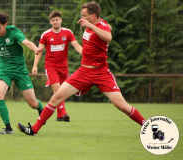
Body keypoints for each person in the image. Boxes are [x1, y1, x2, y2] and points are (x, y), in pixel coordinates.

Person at [16, 1, 145, 136]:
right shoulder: (95, 24)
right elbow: (108, 27)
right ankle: (34, 130)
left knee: (121, 105)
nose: (82, 18)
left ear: (93, 16)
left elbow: (108, 36)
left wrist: (91, 25)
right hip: (83, 72)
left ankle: (146, 125)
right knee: (56, 98)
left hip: (101, 73)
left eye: (84, 15)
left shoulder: (99, 26)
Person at [0, 12, 44, 134]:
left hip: (19, 70)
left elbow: (26, 42)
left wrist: (35, 49)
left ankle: (41, 109)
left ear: (5, 25)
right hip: (4, 69)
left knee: (33, 104)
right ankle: (8, 129)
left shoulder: (13, 32)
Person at [32, 10, 82, 122]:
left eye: (57, 20)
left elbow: (77, 46)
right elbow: (39, 51)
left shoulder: (68, 32)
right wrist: (35, 65)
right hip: (51, 67)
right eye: (53, 20)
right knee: (57, 89)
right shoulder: (46, 34)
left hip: (64, 67)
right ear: (50, 22)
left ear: (61, 20)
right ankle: (64, 113)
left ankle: (59, 116)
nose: (55, 22)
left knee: (62, 91)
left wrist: (86, 54)